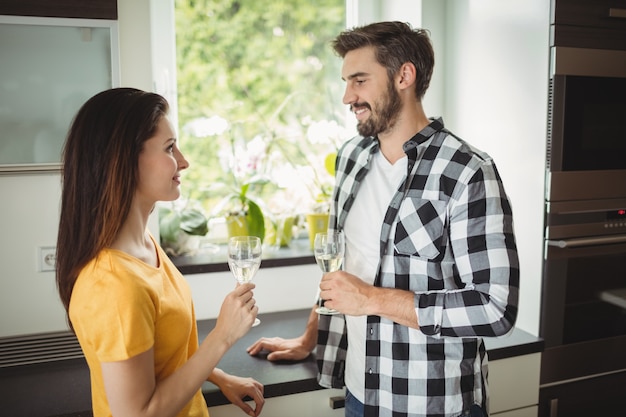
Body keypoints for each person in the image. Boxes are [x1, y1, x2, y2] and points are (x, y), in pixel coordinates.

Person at [247, 21, 519, 417]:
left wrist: (372, 299)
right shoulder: (351, 158)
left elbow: (496, 309)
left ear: (404, 76)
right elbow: (342, 269)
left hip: (433, 404)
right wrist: (310, 338)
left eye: (359, 80)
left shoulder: (467, 171)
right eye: (346, 82)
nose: (347, 97)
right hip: (360, 394)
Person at [56, 88, 265, 417]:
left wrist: (218, 376)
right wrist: (222, 337)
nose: (183, 161)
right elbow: (139, 413)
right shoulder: (113, 284)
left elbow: (163, 354)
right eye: (169, 148)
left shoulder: (144, 245)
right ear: (123, 159)